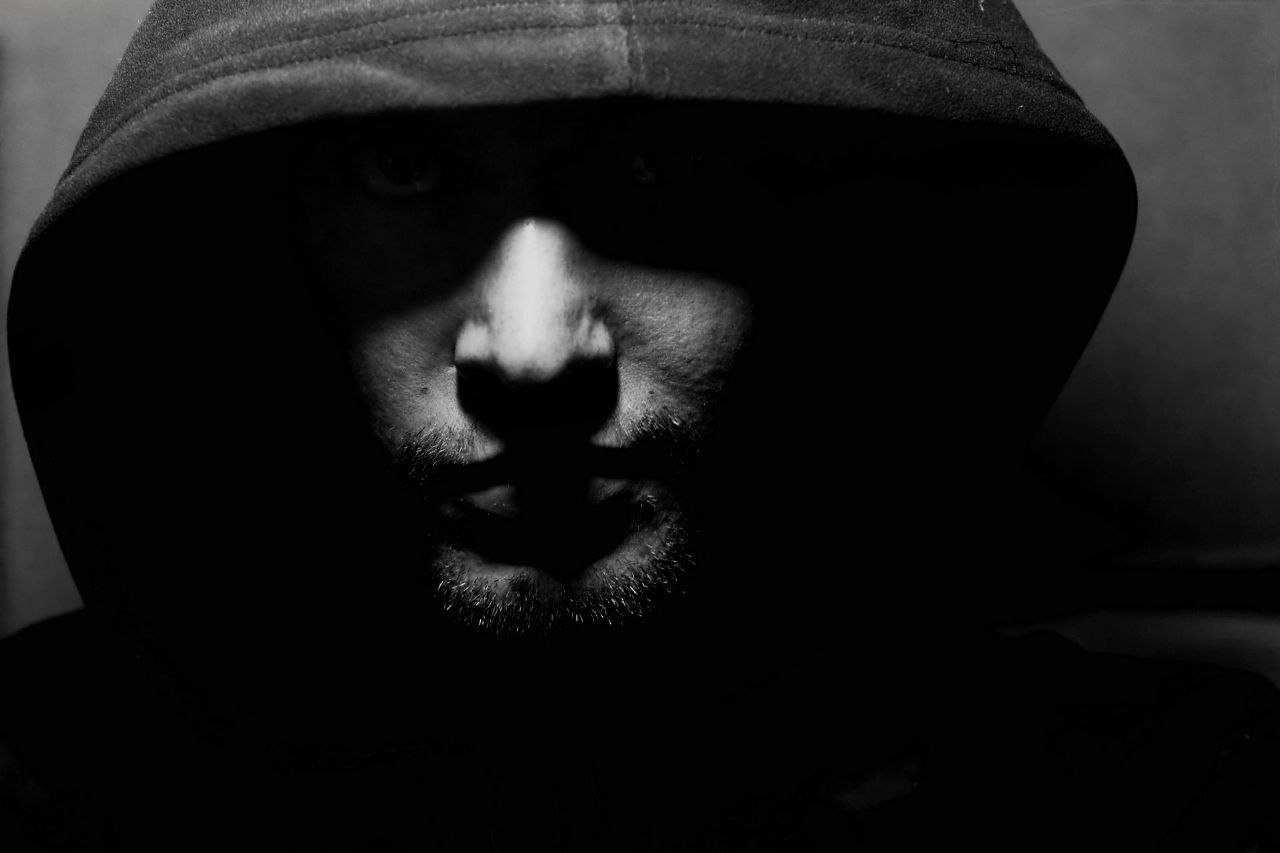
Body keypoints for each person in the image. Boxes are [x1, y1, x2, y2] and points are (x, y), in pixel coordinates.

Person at [3, 0, 1278, 850]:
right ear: (257, 240)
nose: (533, 353)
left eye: (653, 172)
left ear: (847, 225)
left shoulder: (1168, 800)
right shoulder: (49, 783)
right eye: (402, 170)